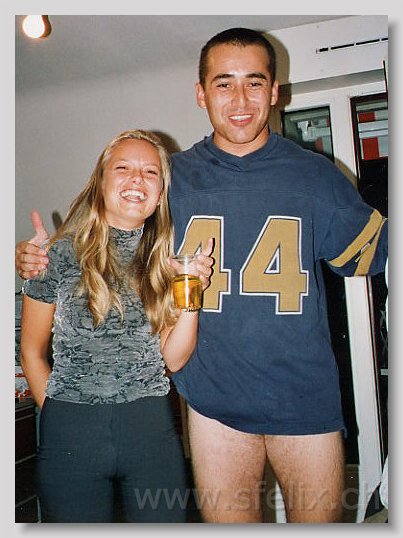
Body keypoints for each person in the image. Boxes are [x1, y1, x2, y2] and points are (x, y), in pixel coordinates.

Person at [16, 28, 388, 524]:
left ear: (274, 92)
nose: (240, 99)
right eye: (223, 83)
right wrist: (36, 258)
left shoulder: (316, 176)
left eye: (254, 83)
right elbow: (103, 237)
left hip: (305, 397)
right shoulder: (169, 179)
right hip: (212, 403)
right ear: (200, 93)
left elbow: (373, 255)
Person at [19, 129, 213, 523]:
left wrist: (190, 291)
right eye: (123, 168)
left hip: (150, 431)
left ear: (160, 194)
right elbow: (31, 352)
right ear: (101, 182)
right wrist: (58, 414)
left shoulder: (167, 262)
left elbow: (173, 360)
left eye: (151, 172)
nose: (137, 178)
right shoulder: (54, 254)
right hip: (70, 432)